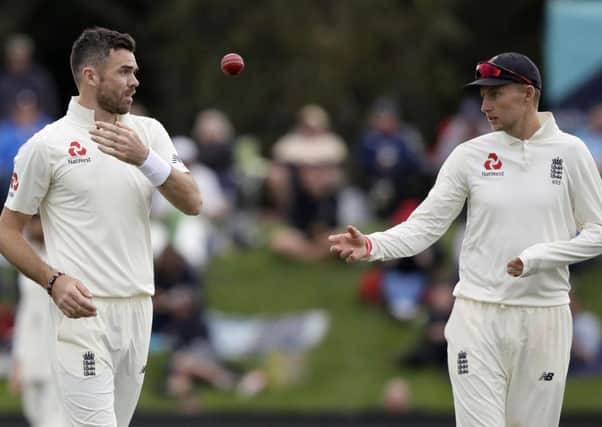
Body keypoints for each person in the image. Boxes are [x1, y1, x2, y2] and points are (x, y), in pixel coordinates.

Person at [329, 52, 602, 426]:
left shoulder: (571, 153)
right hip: (477, 315)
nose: (484, 106)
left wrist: (540, 257)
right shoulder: (468, 156)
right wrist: (374, 245)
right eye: (482, 96)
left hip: (545, 317)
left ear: (528, 94)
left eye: (495, 94)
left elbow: (598, 232)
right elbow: (426, 225)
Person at [0, 27, 201, 427]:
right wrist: (53, 281)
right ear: (91, 76)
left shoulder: (149, 133)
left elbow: (193, 201)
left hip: (138, 309)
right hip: (83, 315)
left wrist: (146, 159)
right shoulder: (47, 145)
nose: (135, 81)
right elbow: (7, 230)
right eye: (125, 71)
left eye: (135, 71)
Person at [9, 216, 64, 427]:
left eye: (38, 221)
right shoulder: (27, 259)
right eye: (32, 221)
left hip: (58, 352)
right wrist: (18, 359)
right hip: (31, 354)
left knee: (55, 420)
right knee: (34, 416)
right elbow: (24, 314)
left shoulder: (63, 256)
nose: (34, 226)